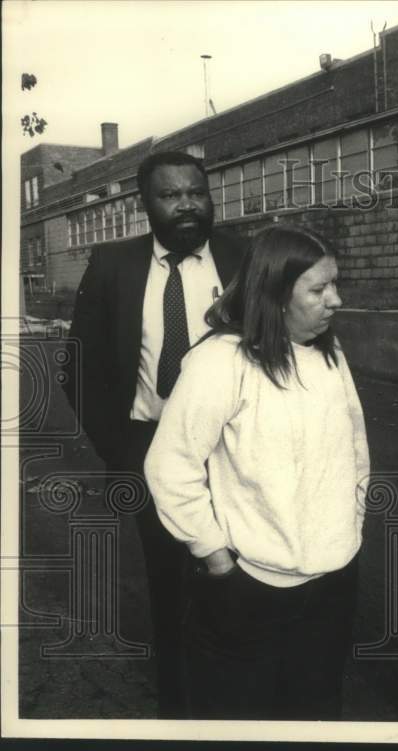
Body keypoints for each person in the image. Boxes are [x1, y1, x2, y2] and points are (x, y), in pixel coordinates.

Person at [144, 225, 369, 720]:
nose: (336, 299)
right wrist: (215, 555)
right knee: (240, 719)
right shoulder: (219, 361)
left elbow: (355, 449)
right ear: (274, 293)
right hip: (248, 587)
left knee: (313, 712)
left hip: (332, 579)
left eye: (335, 284)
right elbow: (170, 466)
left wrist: (351, 523)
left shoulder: (329, 353)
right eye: (318, 289)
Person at [61, 151, 245, 717]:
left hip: (235, 447)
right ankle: (181, 707)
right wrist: (121, 452)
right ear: (146, 204)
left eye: (196, 191)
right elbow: (80, 369)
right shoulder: (113, 265)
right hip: (150, 446)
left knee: (243, 569)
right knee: (170, 577)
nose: (187, 203)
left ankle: (242, 693)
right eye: (171, 195)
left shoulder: (244, 256)